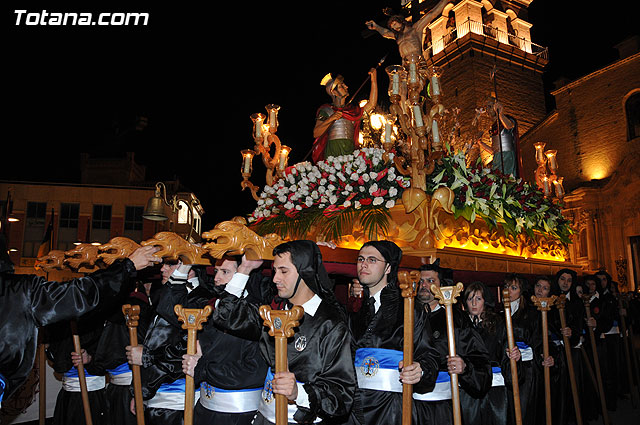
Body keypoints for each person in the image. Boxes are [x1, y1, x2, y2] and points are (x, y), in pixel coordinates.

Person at [0, 233, 160, 407]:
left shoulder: (139, 306)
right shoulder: (16, 290)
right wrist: (127, 267)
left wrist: (90, 359)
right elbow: (78, 296)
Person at [211, 240, 356, 424]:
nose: (275, 279)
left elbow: (342, 396)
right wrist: (245, 269)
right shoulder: (272, 312)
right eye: (275, 271)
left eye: (284, 271)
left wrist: (298, 393)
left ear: (305, 271)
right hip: (263, 417)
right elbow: (226, 316)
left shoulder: (330, 324)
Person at [345, 240, 440, 425]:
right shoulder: (353, 310)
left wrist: (420, 370)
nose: (363, 264)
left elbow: (429, 355)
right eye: (361, 259)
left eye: (372, 260)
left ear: (388, 267)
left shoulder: (408, 308)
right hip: (354, 408)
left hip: (391, 409)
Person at [180, 255, 270, 425]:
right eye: (216, 271)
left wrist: (203, 367)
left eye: (225, 272)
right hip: (204, 408)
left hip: (236, 415)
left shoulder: (256, 313)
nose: (216, 278)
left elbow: (254, 371)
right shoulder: (210, 306)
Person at [414, 261, 491, 424]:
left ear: (441, 286)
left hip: (442, 408)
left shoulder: (456, 320)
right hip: (407, 404)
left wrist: (465, 367)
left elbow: (481, 362)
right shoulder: (405, 316)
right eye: (421, 281)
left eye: (431, 281)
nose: (424, 285)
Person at [461, 281, 521, 425]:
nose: (474, 303)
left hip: (495, 387)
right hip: (468, 386)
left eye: (478, 299)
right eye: (470, 299)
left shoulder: (498, 324)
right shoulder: (460, 325)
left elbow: (506, 350)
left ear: (485, 301)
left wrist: (514, 356)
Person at [311, 69, 378, 163]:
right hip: (333, 151)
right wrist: (331, 118)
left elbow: (371, 105)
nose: (346, 86)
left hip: (350, 151)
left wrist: (373, 79)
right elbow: (316, 133)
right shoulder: (326, 110)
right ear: (333, 92)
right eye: (341, 86)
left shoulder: (352, 111)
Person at [502, 274, 541, 425]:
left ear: (521, 291)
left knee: (523, 409)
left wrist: (522, 353)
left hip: (525, 368)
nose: (508, 291)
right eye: (506, 287)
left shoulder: (531, 314)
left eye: (513, 288)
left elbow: (537, 341)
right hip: (506, 366)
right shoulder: (497, 313)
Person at [365, 0, 448, 62]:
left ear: (400, 21)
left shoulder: (415, 29)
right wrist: (376, 27)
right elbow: (385, 33)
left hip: (417, 61)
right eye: (392, 28)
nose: (394, 28)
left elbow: (432, 14)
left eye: (394, 24)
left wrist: (445, 1)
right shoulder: (398, 36)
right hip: (405, 65)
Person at [476, 95, 520, 177]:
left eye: (489, 106)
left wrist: (501, 114)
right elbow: (494, 151)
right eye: (486, 108)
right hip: (497, 158)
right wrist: (480, 143)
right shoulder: (494, 126)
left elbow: (510, 126)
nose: (487, 110)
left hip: (506, 157)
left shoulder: (505, 120)